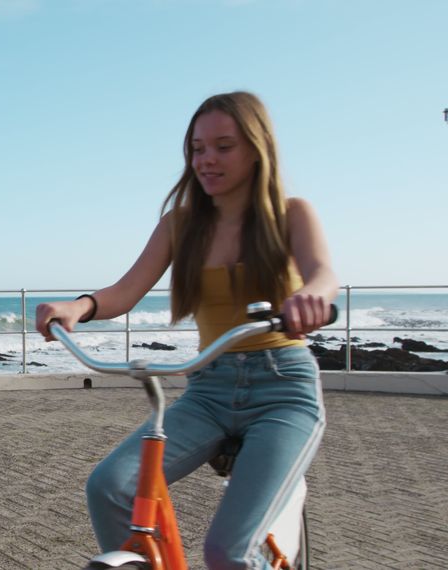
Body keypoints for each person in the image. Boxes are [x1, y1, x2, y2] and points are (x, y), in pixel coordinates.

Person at [35, 91, 337, 569]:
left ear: (257, 149)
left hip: (283, 390)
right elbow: (124, 292)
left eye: (223, 146)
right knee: (111, 485)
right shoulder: (180, 224)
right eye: (197, 148)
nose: (206, 159)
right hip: (209, 389)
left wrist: (311, 297)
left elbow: (323, 274)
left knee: (228, 552)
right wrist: (80, 306)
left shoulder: (291, 213)